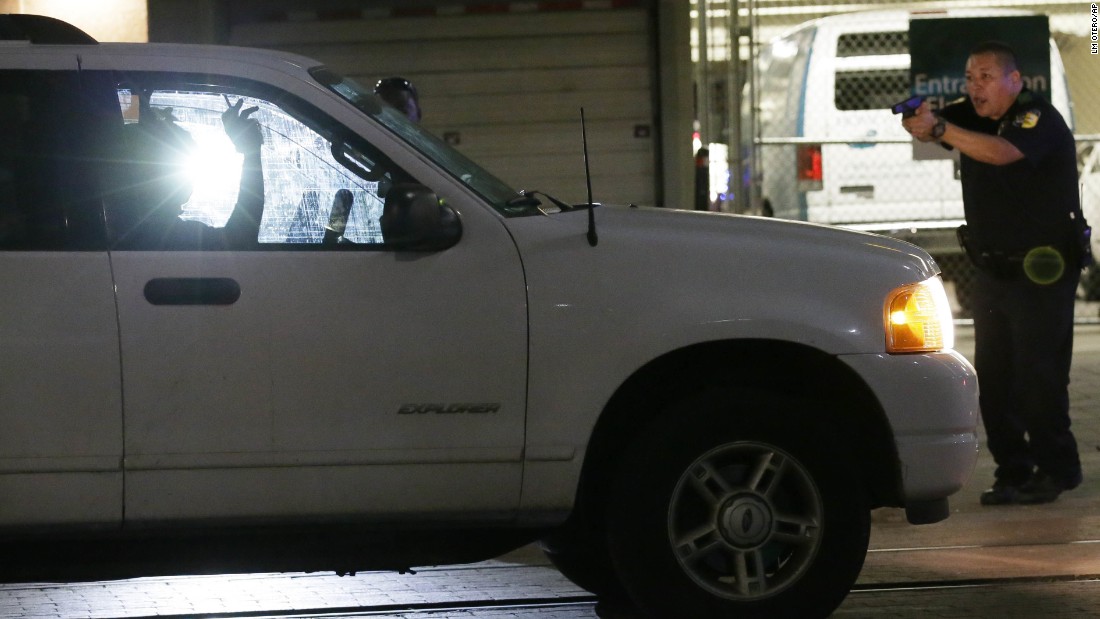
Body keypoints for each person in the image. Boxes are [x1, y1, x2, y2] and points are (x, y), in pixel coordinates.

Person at [903, 41, 1085, 505]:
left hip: (1041, 271)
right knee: (996, 379)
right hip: (992, 270)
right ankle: (1013, 469)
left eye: (985, 76)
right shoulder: (967, 113)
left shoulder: (1036, 119)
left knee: (1038, 376)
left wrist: (941, 127)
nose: (974, 86)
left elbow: (1002, 153)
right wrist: (921, 121)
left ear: (1014, 80)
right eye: (969, 77)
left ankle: (1056, 468)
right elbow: (933, 127)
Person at [113, 96, 265, 249]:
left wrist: (138, 102)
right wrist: (251, 151)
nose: (191, 182)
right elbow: (239, 240)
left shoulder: (116, 228)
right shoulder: (170, 236)